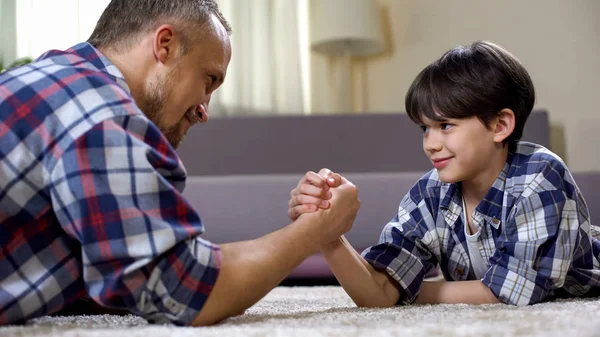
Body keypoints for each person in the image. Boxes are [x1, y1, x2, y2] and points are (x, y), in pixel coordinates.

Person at [0, 0, 360, 326]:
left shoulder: (51, 78)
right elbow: (187, 290)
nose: (205, 110)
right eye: (209, 80)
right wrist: (317, 228)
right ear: (165, 45)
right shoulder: (100, 115)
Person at [289, 41, 600, 307]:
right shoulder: (431, 193)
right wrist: (327, 232)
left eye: (445, 126)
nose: (430, 144)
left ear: (500, 126)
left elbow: (512, 292)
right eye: (425, 128)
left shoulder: (540, 176)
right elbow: (376, 294)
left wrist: (408, 293)